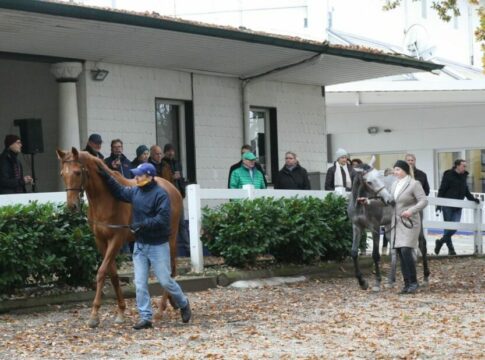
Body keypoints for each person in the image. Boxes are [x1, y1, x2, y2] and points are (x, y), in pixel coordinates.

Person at [97, 162, 191, 329]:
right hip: (140, 246)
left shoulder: (161, 195)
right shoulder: (135, 192)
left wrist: (142, 225)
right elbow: (119, 191)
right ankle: (146, 317)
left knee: (165, 281)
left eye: (139, 175)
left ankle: (183, 303)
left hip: (157, 245)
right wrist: (106, 175)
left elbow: (162, 220)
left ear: (149, 176)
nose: (135, 178)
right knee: (140, 283)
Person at [390, 160, 428, 294]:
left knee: (406, 250)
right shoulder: (394, 184)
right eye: (394, 170)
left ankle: (413, 282)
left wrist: (411, 210)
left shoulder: (414, 183)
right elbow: (389, 201)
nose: (395, 172)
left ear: (405, 170)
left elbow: (424, 200)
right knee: (400, 252)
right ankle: (407, 284)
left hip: (410, 222)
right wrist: (367, 201)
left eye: (398, 169)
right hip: (397, 223)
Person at [435, 159, 480, 255]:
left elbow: (466, 190)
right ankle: (451, 250)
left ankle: (440, 242)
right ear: (457, 166)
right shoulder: (448, 175)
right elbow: (442, 189)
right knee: (448, 228)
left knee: (454, 227)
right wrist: (438, 204)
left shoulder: (464, 176)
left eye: (465, 166)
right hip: (447, 205)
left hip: (458, 206)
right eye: (463, 165)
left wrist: (473, 199)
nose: (465, 167)